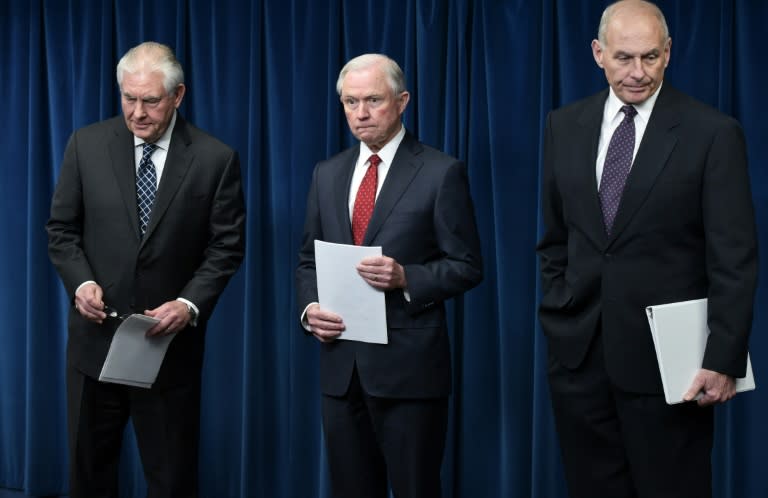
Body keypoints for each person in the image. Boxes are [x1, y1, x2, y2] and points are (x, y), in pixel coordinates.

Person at [536, 1, 758, 497]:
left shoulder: (713, 134)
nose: (638, 72)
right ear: (598, 54)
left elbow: (734, 259)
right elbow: (555, 240)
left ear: (669, 53)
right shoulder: (563, 125)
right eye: (623, 58)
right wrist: (560, 312)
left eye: (651, 58)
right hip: (580, 361)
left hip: (673, 370)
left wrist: (723, 358)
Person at [46, 41, 246, 498]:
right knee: (90, 474)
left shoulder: (215, 160)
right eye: (129, 98)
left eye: (150, 101)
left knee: (171, 478)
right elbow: (61, 230)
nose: (137, 112)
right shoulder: (86, 145)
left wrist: (188, 304)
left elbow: (226, 248)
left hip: (168, 349)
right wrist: (82, 282)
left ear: (177, 96)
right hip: (94, 346)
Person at [295, 53, 483, 498]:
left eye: (373, 100)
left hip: (409, 371)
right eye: (350, 102)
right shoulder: (327, 174)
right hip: (341, 371)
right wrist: (309, 310)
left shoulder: (441, 172)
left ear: (402, 101)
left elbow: (467, 267)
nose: (360, 113)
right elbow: (308, 261)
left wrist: (407, 278)